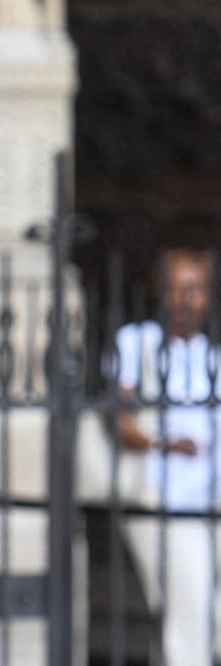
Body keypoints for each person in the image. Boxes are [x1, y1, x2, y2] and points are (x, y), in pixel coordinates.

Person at [112, 247, 220, 664]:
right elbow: (117, 419)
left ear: (207, 295)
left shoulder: (212, 357)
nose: (182, 300)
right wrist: (162, 443)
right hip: (162, 504)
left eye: (192, 289)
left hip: (210, 502)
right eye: (174, 289)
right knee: (189, 615)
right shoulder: (138, 342)